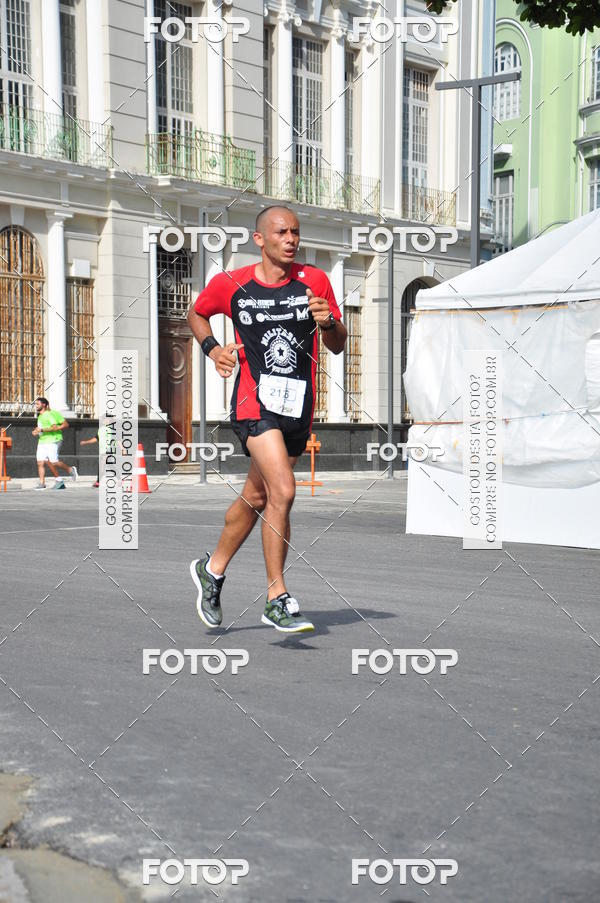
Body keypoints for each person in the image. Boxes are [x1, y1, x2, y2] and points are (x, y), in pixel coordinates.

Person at [186, 206, 347, 633]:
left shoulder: (315, 281)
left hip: (297, 407)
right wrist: (213, 349)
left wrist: (328, 322)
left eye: (295, 232)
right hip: (254, 404)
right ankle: (277, 596)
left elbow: (337, 344)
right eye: (281, 232)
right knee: (284, 490)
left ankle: (212, 569)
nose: (291, 239)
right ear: (260, 240)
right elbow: (196, 313)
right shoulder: (233, 284)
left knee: (259, 498)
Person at [32, 397, 78, 490]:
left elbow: (57, 426)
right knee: (40, 462)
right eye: (35, 404)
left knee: (53, 462)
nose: (35, 406)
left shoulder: (51, 414)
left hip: (53, 440)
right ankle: (42, 483)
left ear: (44, 404)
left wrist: (42, 429)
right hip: (42, 441)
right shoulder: (40, 416)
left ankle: (70, 470)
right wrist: (36, 431)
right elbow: (41, 428)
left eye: (37, 404)